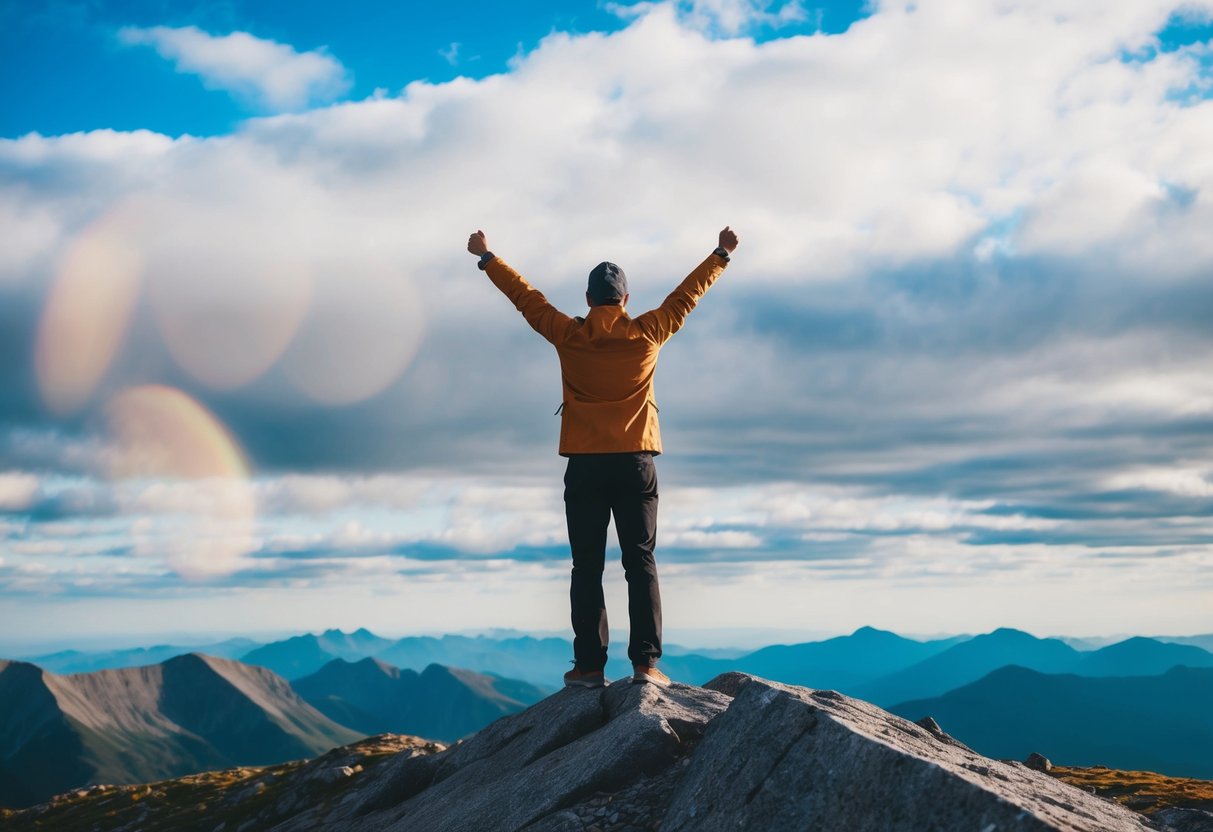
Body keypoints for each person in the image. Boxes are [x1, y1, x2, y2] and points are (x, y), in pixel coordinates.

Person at [467, 226, 740, 688]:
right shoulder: (649, 330)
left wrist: (487, 257)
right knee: (641, 562)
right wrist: (720, 254)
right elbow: (686, 296)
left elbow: (526, 298)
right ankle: (646, 666)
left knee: (587, 564)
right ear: (626, 298)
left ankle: (589, 668)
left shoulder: (569, 334)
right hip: (636, 462)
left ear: (589, 299)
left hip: (586, 464)